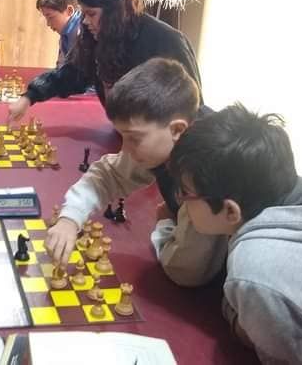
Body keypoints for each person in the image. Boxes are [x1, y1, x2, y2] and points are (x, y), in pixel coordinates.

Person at [169, 104, 302, 363]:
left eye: (185, 193)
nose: (180, 199)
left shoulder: (253, 270)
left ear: (230, 211)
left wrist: (239, 319)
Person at [44, 58, 226, 286]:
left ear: (177, 130)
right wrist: (70, 218)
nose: (125, 148)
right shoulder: (166, 137)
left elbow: (186, 270)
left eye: (134, 138)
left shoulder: (203, 176)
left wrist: (165, 224)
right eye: (123, 136)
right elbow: (108, 176)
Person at [8, 0, 202, 123]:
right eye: (84, 14)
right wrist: (29, 96)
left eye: (91, 14)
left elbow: (192, 109)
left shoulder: (167, 40)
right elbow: (72, 74)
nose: (85, 21)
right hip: (126, 134)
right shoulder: (98, 36)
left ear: (114, 12)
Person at [35, 0, 82, 67]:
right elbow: (61, 66)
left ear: (69, 11)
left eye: (50, 17)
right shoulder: (65, 35)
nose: (48, 24)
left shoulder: (83, 34)